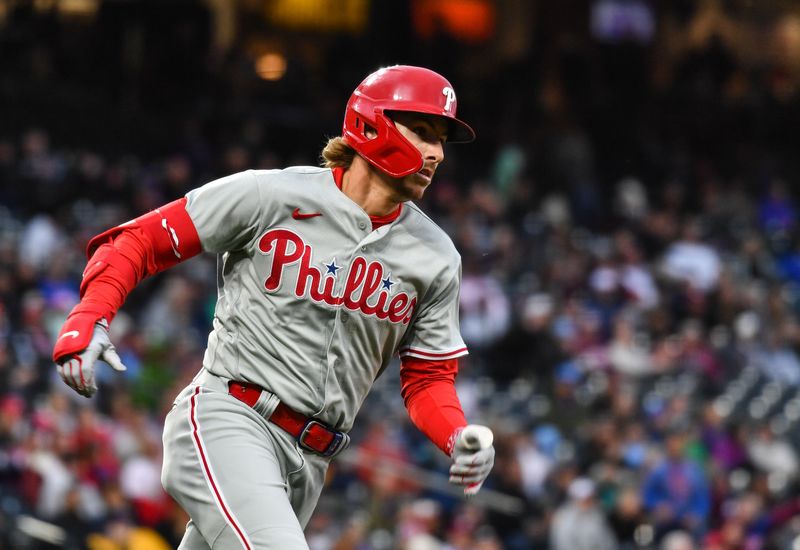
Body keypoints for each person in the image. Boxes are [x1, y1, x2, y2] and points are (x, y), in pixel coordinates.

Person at [51, 65, 496, 549]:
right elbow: (140, 240)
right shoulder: (273, 196)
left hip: (310, 464)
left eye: (443, 140)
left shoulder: (435, 256)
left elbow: (428, 378)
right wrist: (89, 314)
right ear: (370, 123)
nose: (435, 152)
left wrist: (457, 435)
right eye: (424, 131)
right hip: (231, 418)